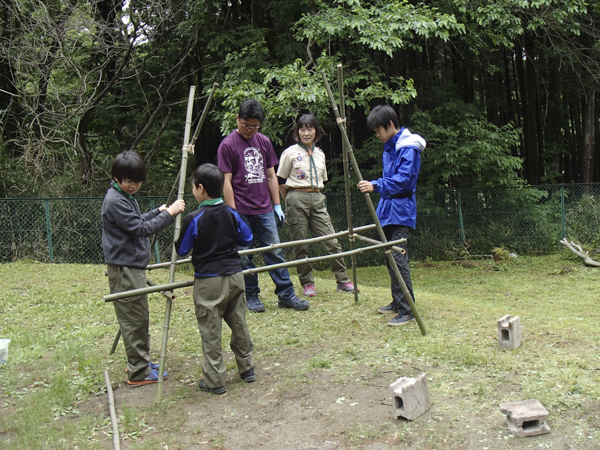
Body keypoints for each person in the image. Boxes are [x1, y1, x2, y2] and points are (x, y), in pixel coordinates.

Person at [217, 99, 309, 312]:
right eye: (246, 125)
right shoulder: (228, 145)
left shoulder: (264, 142)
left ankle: (286, 295)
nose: (249, 130)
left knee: (275, 252)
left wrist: (276, 204)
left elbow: (270, 176)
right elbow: (226, 181)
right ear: (238, 119)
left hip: (265, 209)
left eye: (255, 126)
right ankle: (251, 296)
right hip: (241, 210)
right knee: (245, 255)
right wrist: (232, 212)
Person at [101, 151, 185, 384]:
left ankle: (140, 361)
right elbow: (141, 229)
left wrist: (156, 212)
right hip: (124, 270)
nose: (134, 186)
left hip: (132, 267)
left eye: (137, 181)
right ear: (116, 177)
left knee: (139, 317)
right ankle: (138, 371)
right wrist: (169, 214)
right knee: (134, 320)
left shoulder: (123, 196)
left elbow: (136, 221)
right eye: (129, 181)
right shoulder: (115, 200)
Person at [175, 164, 256, 395]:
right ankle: (247, 368)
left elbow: (182, 249)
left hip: (209, 280)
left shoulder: (195, 218)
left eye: (193, 187)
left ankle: (215, 380)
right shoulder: (232, 213)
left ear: (200, 188)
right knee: (239, 321)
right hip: (234, 276)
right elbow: (247, 238)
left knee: (211, 329)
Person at [357, 105, 425, 327]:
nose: (377, 135)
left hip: (401, 210)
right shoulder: (389, 146)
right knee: (389, 257)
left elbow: (404, 180)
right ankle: (397, 302)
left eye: (379, 130)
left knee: (398, 258)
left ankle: (407, 309)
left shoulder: (408, 147)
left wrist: (375, 185)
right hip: (387, 210)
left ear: (391, 125)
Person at [276, 113, 355, 297]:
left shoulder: (320, 154)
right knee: (301, 245)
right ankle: (307, 284)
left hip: (317, 198)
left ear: (316, 131)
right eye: (302, 129)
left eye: (310, 128)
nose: (306, 132)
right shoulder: (290, 153)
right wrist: (289, 199)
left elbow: (322, 180)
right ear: (297, 132)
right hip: (296, 198)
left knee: (331, 241)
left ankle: (343, 281)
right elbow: (280, 179)